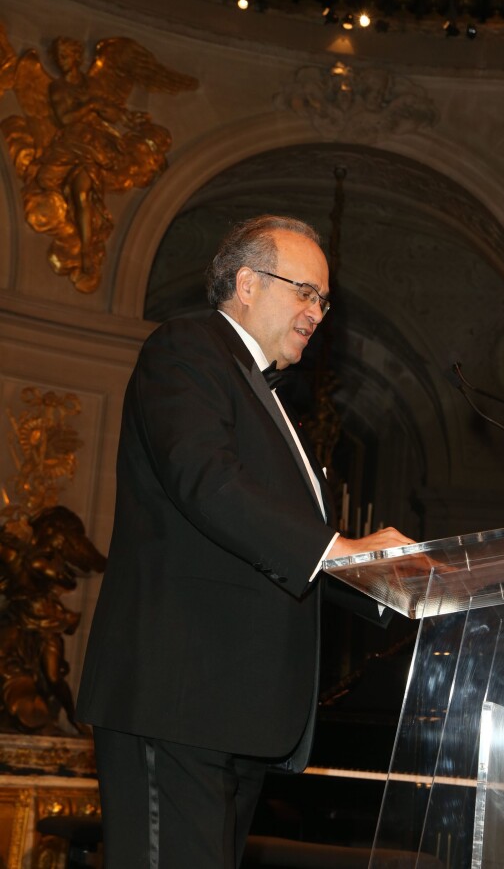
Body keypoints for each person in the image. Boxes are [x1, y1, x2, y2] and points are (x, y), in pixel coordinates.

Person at [76, 214, 413, 869]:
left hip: (237, 710)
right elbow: (207, 482)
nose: (317, 313)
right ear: (248, 283)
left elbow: (278, 549)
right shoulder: (186, 349)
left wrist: (389, 579)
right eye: (305, 292)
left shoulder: (270, 396)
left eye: (324, 301)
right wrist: (340, 550)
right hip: (177, 698)